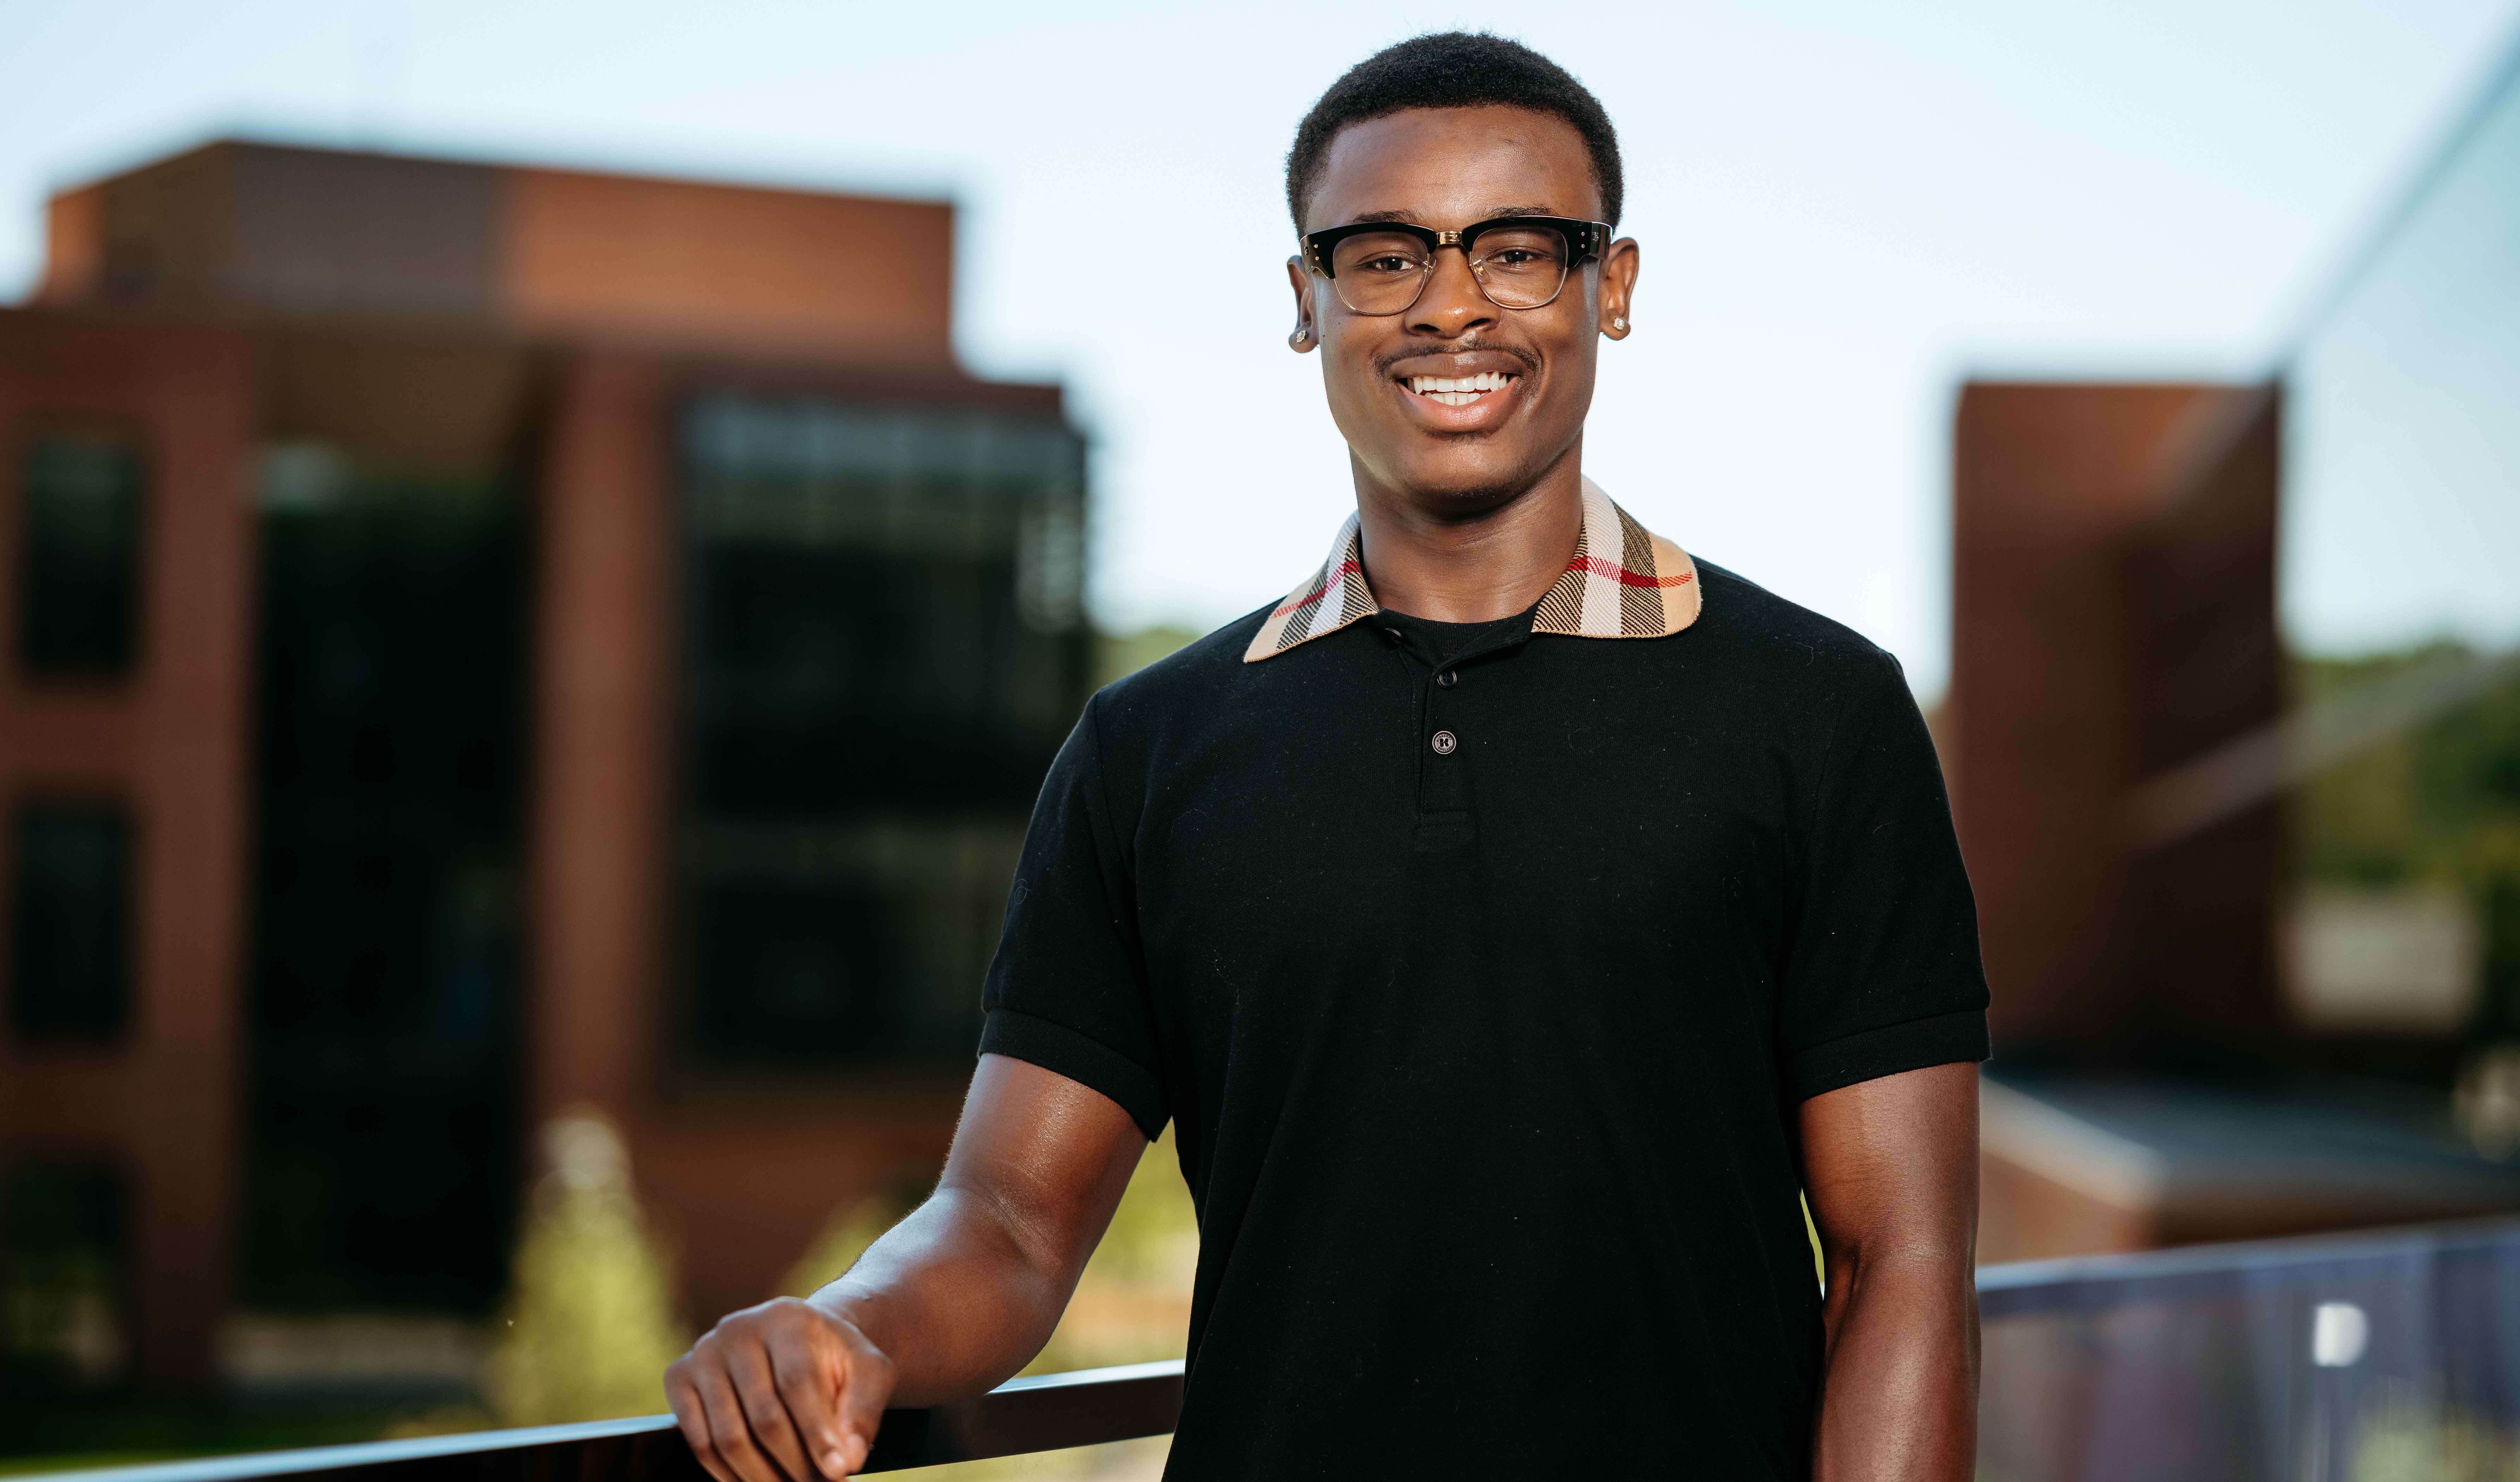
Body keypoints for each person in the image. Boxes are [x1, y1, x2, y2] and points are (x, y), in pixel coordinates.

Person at [667, 31, 1986, 1481]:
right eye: (1384, 256)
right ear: (1308, 300)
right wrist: (848, 1324)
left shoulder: (1819, 710)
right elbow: (1009, 1220)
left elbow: (1900, 1259)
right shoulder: (1149, 748)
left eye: (1519, 251)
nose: (1450, 306)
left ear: (1611, 289)